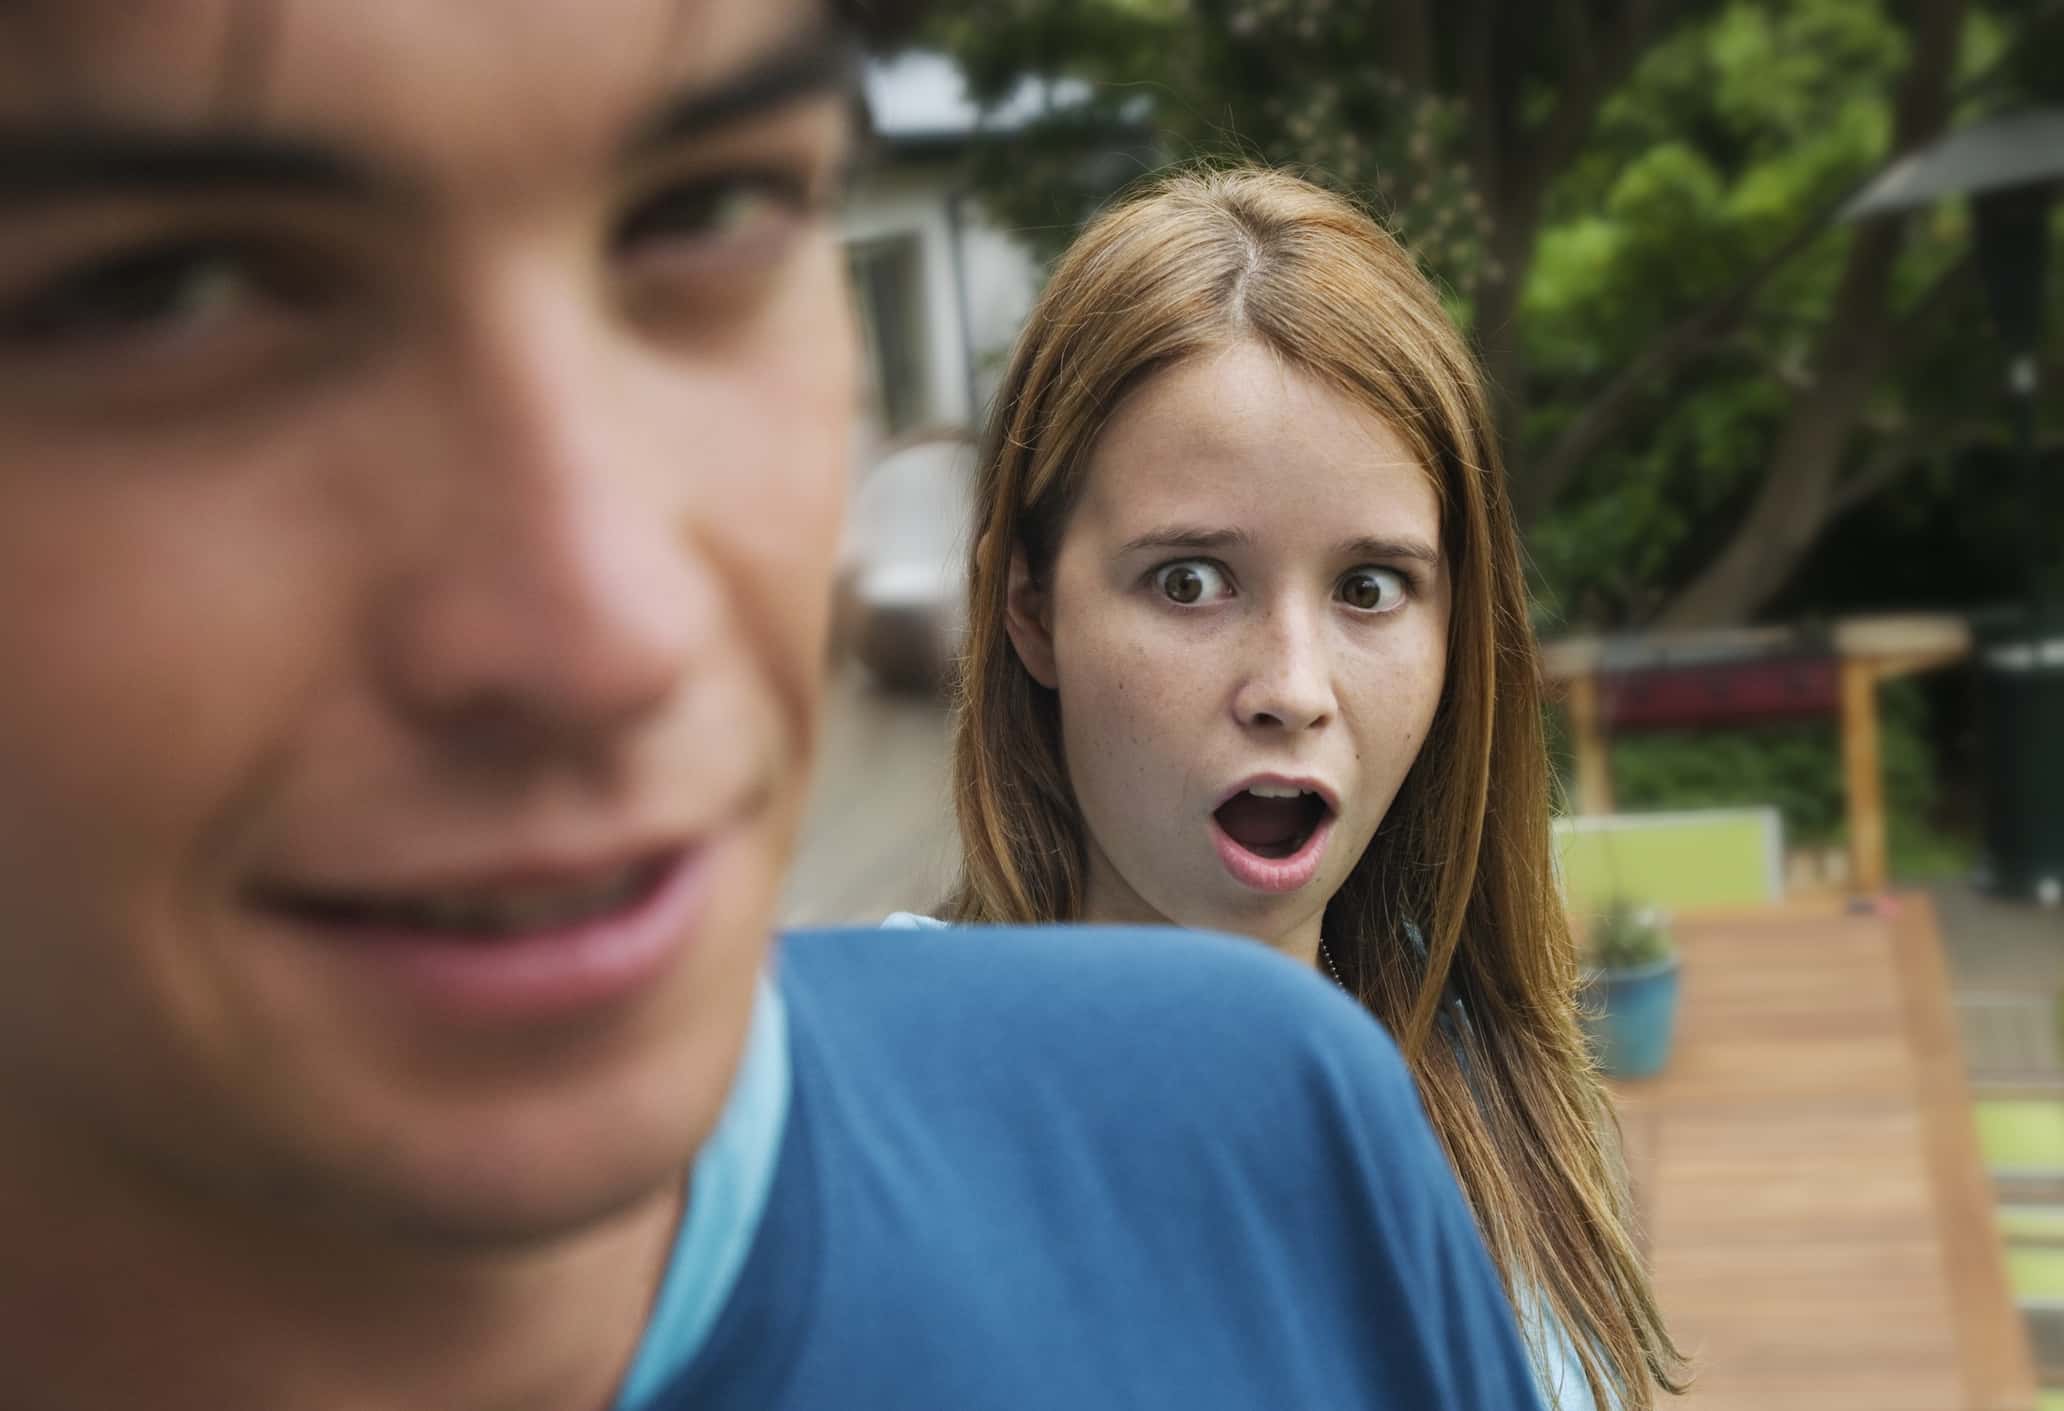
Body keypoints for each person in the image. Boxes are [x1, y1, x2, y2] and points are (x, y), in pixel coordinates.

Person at [0, 5, 1551, 1409]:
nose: (609, 633)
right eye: (166, 291)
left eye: (712, 209)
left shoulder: (1319, 1117)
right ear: (1024, 601)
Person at [934, 166, 1689, 1410]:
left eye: (1370, 587)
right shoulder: (882, 1139)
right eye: (1189, 581)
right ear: (1030, 607)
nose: (1293, 686)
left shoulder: (1495, 1076)